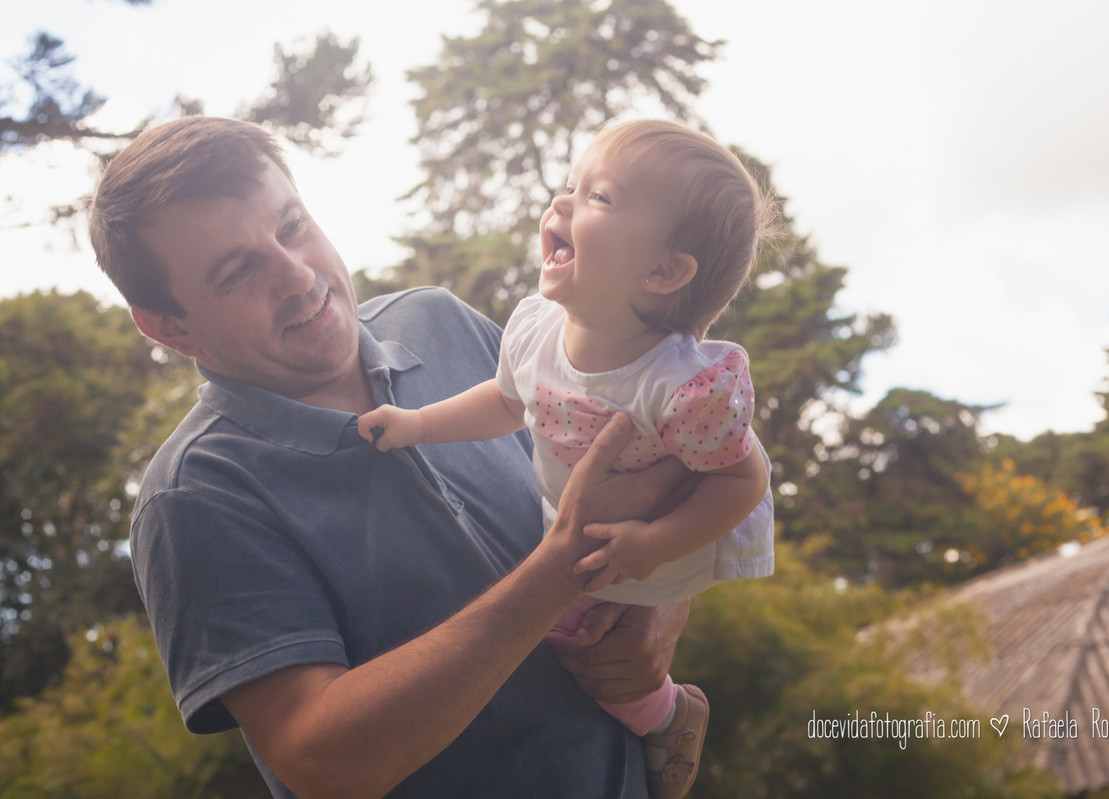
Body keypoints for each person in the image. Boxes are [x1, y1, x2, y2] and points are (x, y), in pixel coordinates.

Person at [87, 116, 724, 799]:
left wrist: (659, 608)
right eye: (239, 271)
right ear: (167, 324)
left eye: (292, 226)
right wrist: (556, 576)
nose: (299, 278)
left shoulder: (440, 320)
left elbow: (649, 464)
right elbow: (324, 762)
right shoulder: (193, 497)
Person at [359, 118, 776, 798]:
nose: (562, 204)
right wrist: (415, 423)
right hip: (581, 515)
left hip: (662, 533)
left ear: (665, 271)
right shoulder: (535, 328)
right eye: (569, 185)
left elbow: (741, 478)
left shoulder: (682, 384)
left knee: (579, 642)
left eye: (598, 198)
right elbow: (504, 402)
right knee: (546, 622)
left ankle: (670, 715)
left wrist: (655, 541)